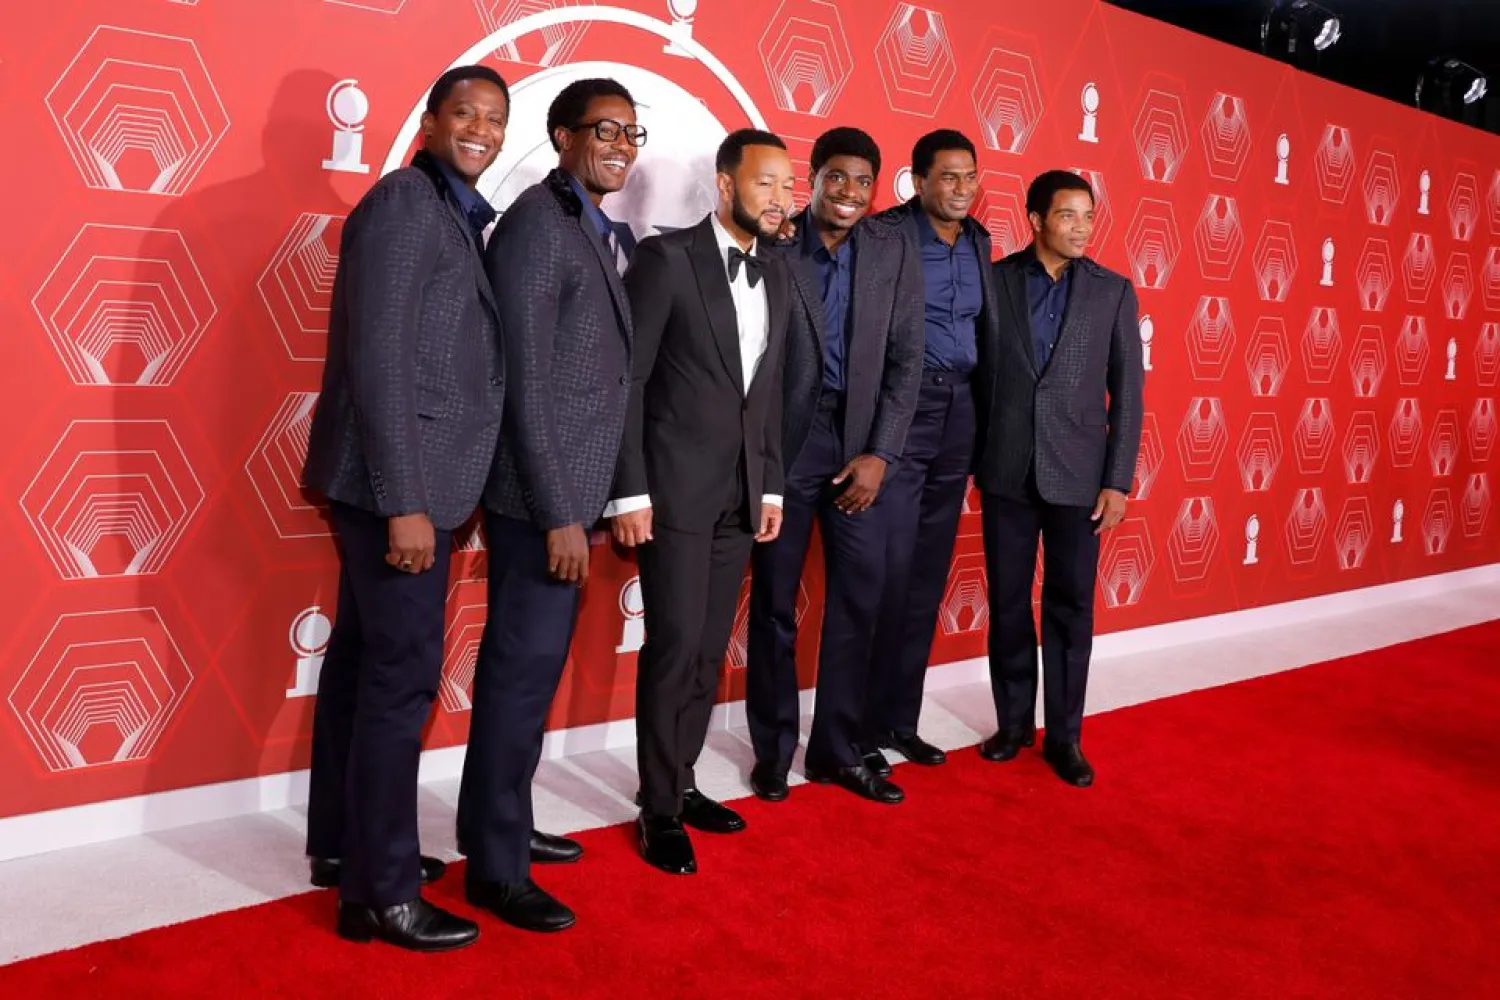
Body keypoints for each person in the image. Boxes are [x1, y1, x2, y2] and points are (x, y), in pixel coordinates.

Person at [300, 65, 509, 952]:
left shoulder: (450, 211)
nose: (482, 130)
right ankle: (382, 894)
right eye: (465, 114)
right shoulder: (403, 203)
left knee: (359, 667)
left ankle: (346, 850)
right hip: (397, 487)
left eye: (496, 120)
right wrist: (406, 504)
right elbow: (377, 360)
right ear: (428, 122)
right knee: (400, 680)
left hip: (402, 483)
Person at [456, 78, 642, 933]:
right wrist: (563, 510)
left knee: (530, 678)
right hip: (541, 501)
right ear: (562, 135)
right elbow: (523, 379)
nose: (621, 145)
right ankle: (494, 870)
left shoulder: (585, 226)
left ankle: (505, 828)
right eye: (605, 130)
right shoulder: (538, 223)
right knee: (518, 677)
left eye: (631, 133)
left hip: (568, 494)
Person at [606, 128, 794, 875]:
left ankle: (681, 783)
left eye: (788, 186)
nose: (781, 199)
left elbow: (768, 394)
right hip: (673, 492)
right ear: (725, 186)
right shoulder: (666, 260)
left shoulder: (777, 274)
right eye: (766, 184)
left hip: (741, 496)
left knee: (710, 650)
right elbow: (631, 381)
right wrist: (630, 488)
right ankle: (657, 809)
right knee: (676, 644)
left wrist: (770, 482)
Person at [745, 127, 922, 804]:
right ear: (811, 179)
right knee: (774, 608)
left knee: (859, 600)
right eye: (836, 177)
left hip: (859, 449)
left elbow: (907, 359)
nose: (848, 192)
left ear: (874, 190)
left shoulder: (892, 249)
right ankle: (773, 750)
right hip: (788, 447)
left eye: (861, 181)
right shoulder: (775, 245)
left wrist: (881, 453)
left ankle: (837, 751)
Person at [976, 170, 1143, 787]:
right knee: (1009, 604)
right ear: (1036, 219)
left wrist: (1118, 480)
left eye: (1088, 217)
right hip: (1007, 470)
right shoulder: (994, 283)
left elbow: (1129, 396)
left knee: (1071, 607)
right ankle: (1014, 723)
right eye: (1067, 216)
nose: (1081, 228)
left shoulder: (1113, 291)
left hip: (1080, 477)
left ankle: (1065, 736)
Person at [864, 130, 1000, 772]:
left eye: (969, 177)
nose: (962, 189)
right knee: (885, 572)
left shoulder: (980, 241)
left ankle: (900, 720)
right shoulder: (887, 234)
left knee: (924, 578)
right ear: (917, 181)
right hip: (901, 409)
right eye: (948, 177)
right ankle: (859, 727)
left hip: (960, 413)